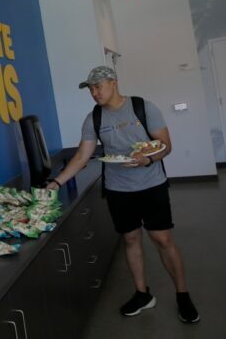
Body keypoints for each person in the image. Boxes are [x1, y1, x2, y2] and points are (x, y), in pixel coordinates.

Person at [46, 66, 199, 323]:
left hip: (152, 185)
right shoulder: (93, 119)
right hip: (118, 189)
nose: (94, 93)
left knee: (162, 239)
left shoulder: (143, 107)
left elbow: (165, 146)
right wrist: (56, 183)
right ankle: (143, 294)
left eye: (98, 87)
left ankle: (182, 294)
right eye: (91, 89)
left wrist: (147, 159)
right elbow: (82, 156)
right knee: (130, 240)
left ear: (113, 83)